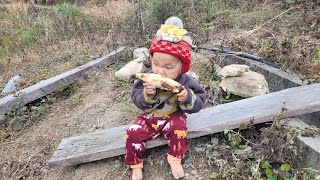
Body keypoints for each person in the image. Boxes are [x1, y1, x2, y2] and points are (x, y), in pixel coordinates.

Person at [125, 17, 206, 180]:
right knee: (132, 132)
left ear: (181, 67)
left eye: (168, 67)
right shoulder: (146, 79)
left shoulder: (185, 81)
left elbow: (200, 100)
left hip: (173, 117)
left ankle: (175, 158)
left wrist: (187, 97)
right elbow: (136, 99)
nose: (160, 72)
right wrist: (147, 95)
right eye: (156, 64)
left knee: (180, 130)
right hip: (149, 117)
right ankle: (135, 165)